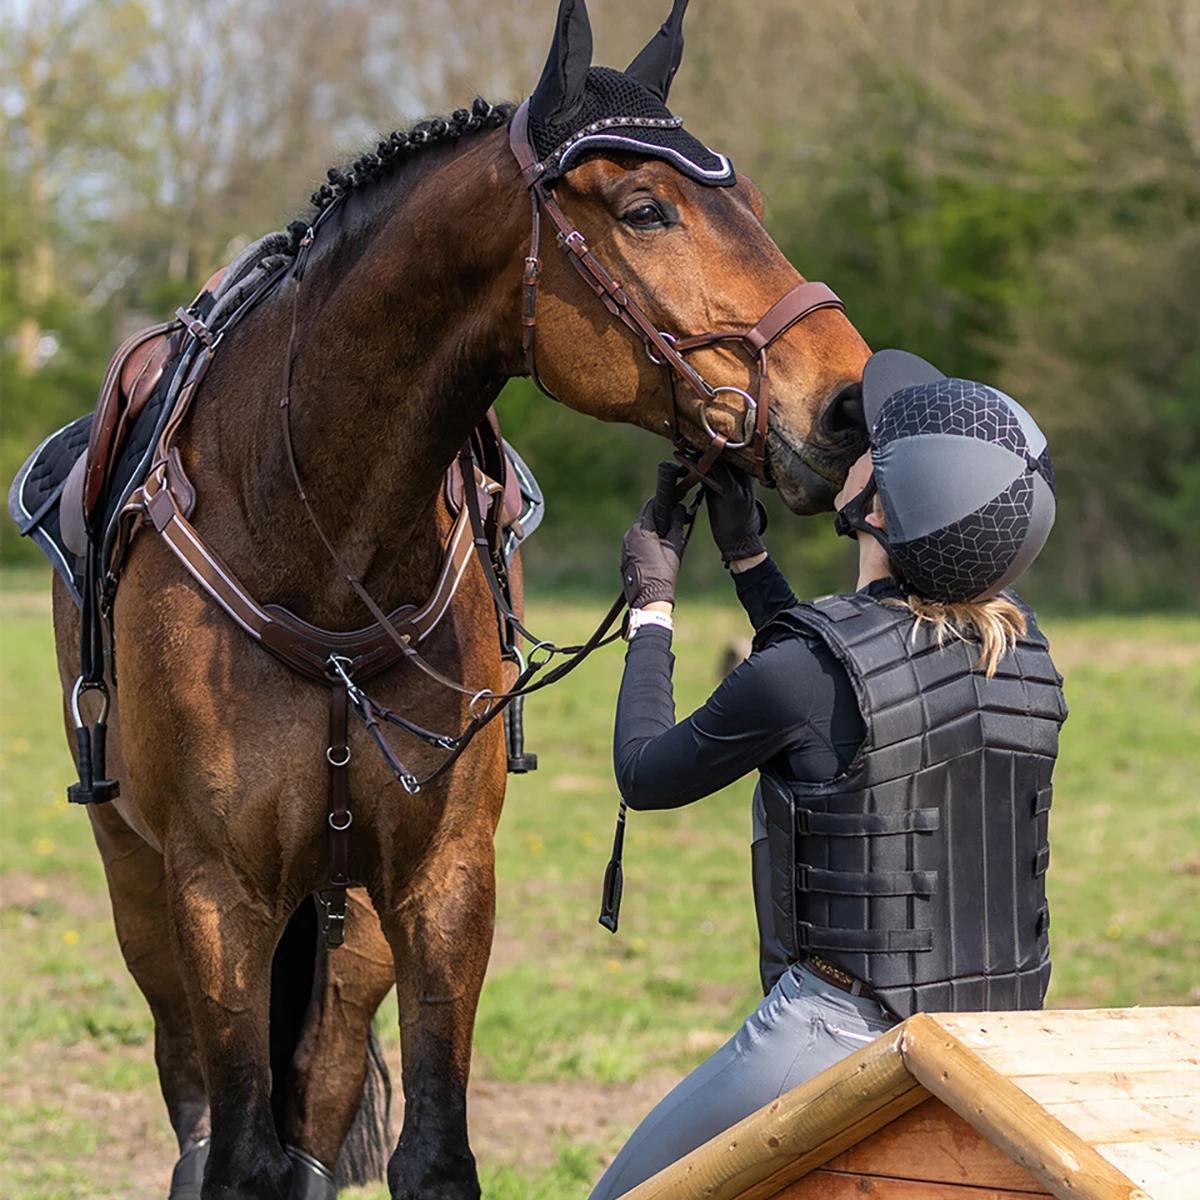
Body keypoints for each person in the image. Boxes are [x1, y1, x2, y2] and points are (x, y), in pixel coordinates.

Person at [591, 350, 1067, 1200]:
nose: (849, 449)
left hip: (846, 1031)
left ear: (882, 507)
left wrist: (652, 606)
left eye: (870, 450)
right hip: (1001, 1032)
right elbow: (848, 699)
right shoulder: (1024, 650)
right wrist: (748, 563)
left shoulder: (809, 670)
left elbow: (645, 773)